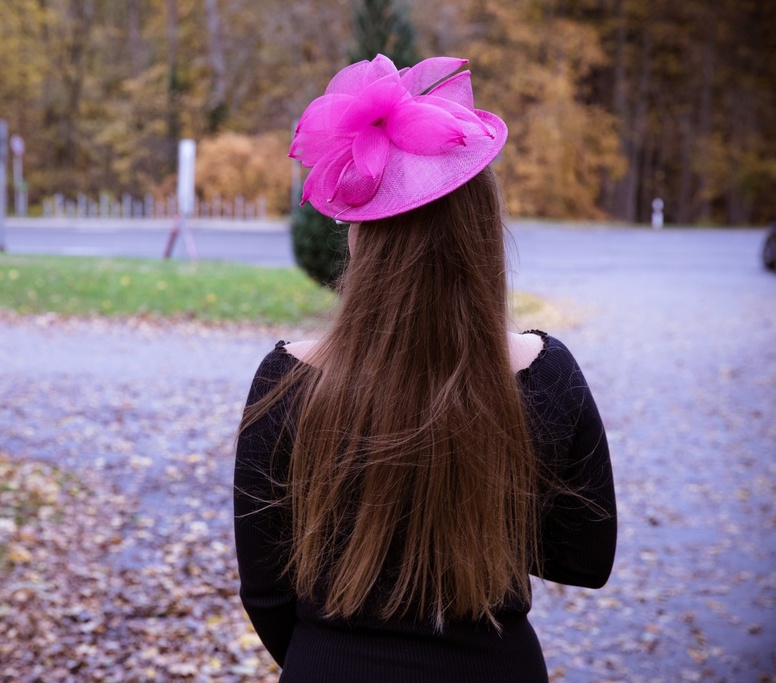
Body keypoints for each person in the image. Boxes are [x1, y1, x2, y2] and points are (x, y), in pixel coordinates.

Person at [233, 54, 617, 682]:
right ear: (481, 230)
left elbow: (267, 594)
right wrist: (473, 509)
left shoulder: (287, 382)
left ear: (362, 233)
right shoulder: (546, 374)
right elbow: (585, 557)